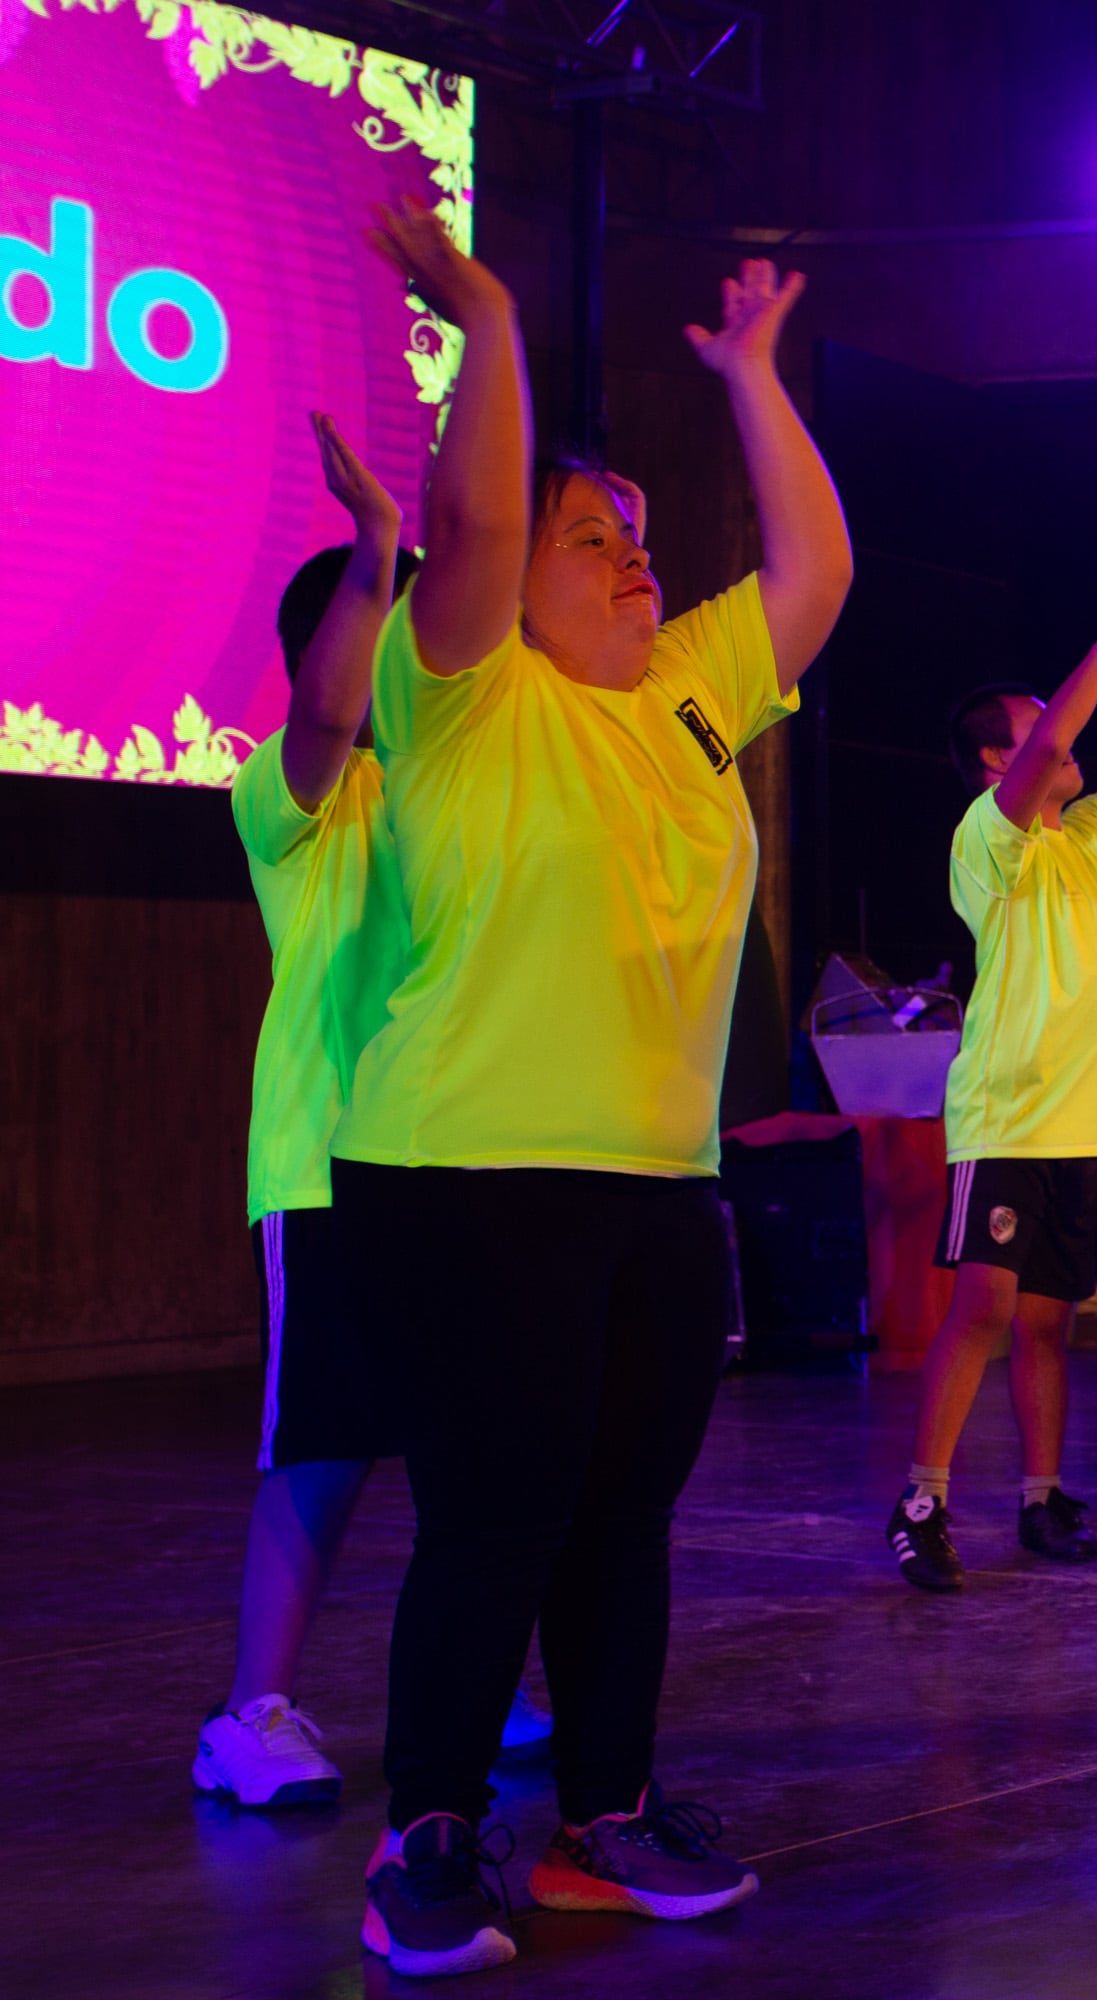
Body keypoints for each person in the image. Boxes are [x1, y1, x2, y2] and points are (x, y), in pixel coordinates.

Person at [330, 202, 849, 1976]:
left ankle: (603, 1818)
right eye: (592, 540)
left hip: (649, 1182)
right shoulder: (467, 694)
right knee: (498, 1517)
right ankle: (430, 1833)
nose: (633, 561)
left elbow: (814, 576)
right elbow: (473, 515)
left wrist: (756, 379)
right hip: (466, 1174)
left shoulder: (682, 699)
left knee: (624, 1515)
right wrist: (486, 317)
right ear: (514, 584)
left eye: (635, 536)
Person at [200, 419, 553, 1812]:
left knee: (482, 1446)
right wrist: (378, 555)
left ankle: (485, 1686)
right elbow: (338, 715)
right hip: (327, 1166)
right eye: (377, 632)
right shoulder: (294, 794)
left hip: (451, 1151)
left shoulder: (437, 794)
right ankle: (249, 1715)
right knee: (326, 1448)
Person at [887, 586, 1097, 1589]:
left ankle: (1041, 1495)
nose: (1063, 736)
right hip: (1008, 1111)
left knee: (1048, 1321)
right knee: (981, 1307)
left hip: (1081, 1125)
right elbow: (1041, 756)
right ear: (998, 760)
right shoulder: (990, 839)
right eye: (1039, 722)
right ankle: (923, 1499)